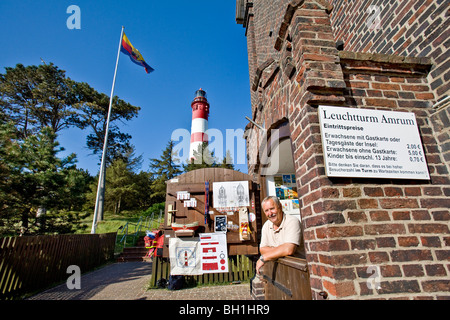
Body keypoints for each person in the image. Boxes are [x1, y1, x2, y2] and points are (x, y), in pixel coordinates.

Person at [256, 196, 303, 274]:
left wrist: (264, 257)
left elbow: (289, 250)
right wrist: (281, 249)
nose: (270, 213)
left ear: (280, 207)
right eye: (266, 210)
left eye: (272, 209)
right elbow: (262, 250)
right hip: (281, 271)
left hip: (299, 270)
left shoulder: (292, 221)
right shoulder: (266, 226)